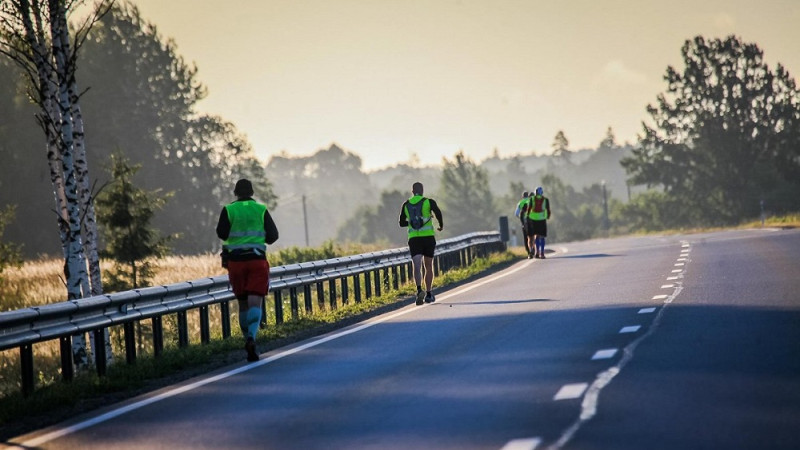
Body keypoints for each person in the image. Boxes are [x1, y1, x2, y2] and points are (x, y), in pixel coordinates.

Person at [216, 179, 279, 361]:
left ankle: (246, 339)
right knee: (255, 301)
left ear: (235, 193)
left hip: (235, 263)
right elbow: (273, 236)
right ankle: (252, 336)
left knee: (243, 302)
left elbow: (222, 233)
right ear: (252, 193)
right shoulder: (260, 209)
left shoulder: (229, 210)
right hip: (256, 260)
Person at [398, 182, 443, 305]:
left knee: (417, 265)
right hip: (428, 238)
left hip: (414, 239)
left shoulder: (406, 205)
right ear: (422, 191)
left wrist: (412, 223)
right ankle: (428, 294)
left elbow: (401, 223)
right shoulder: (429, 202)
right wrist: (440, 225)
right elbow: (438, 213)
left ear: (412, 191)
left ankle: (419, 290)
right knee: (428, 266)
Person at [522, 186, 551, 259]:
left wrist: (528, 216)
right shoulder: (545, 200)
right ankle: (542, 253)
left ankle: (537, 252)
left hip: (533, 219)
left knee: (536, 236)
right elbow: (548, 210)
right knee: (542, 237)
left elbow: (529, 209)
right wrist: (547, 217)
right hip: (542, 219)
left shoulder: (532, 199)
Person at [514, 190, 530, 255]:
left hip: (524, 222)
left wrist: (521, 218)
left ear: (522, 196)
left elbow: (516, 213)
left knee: (526, 237)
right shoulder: (531, 201)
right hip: (532, 219)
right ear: (528, 196)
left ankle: (528, 251)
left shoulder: (520, 203)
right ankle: (534, 249)